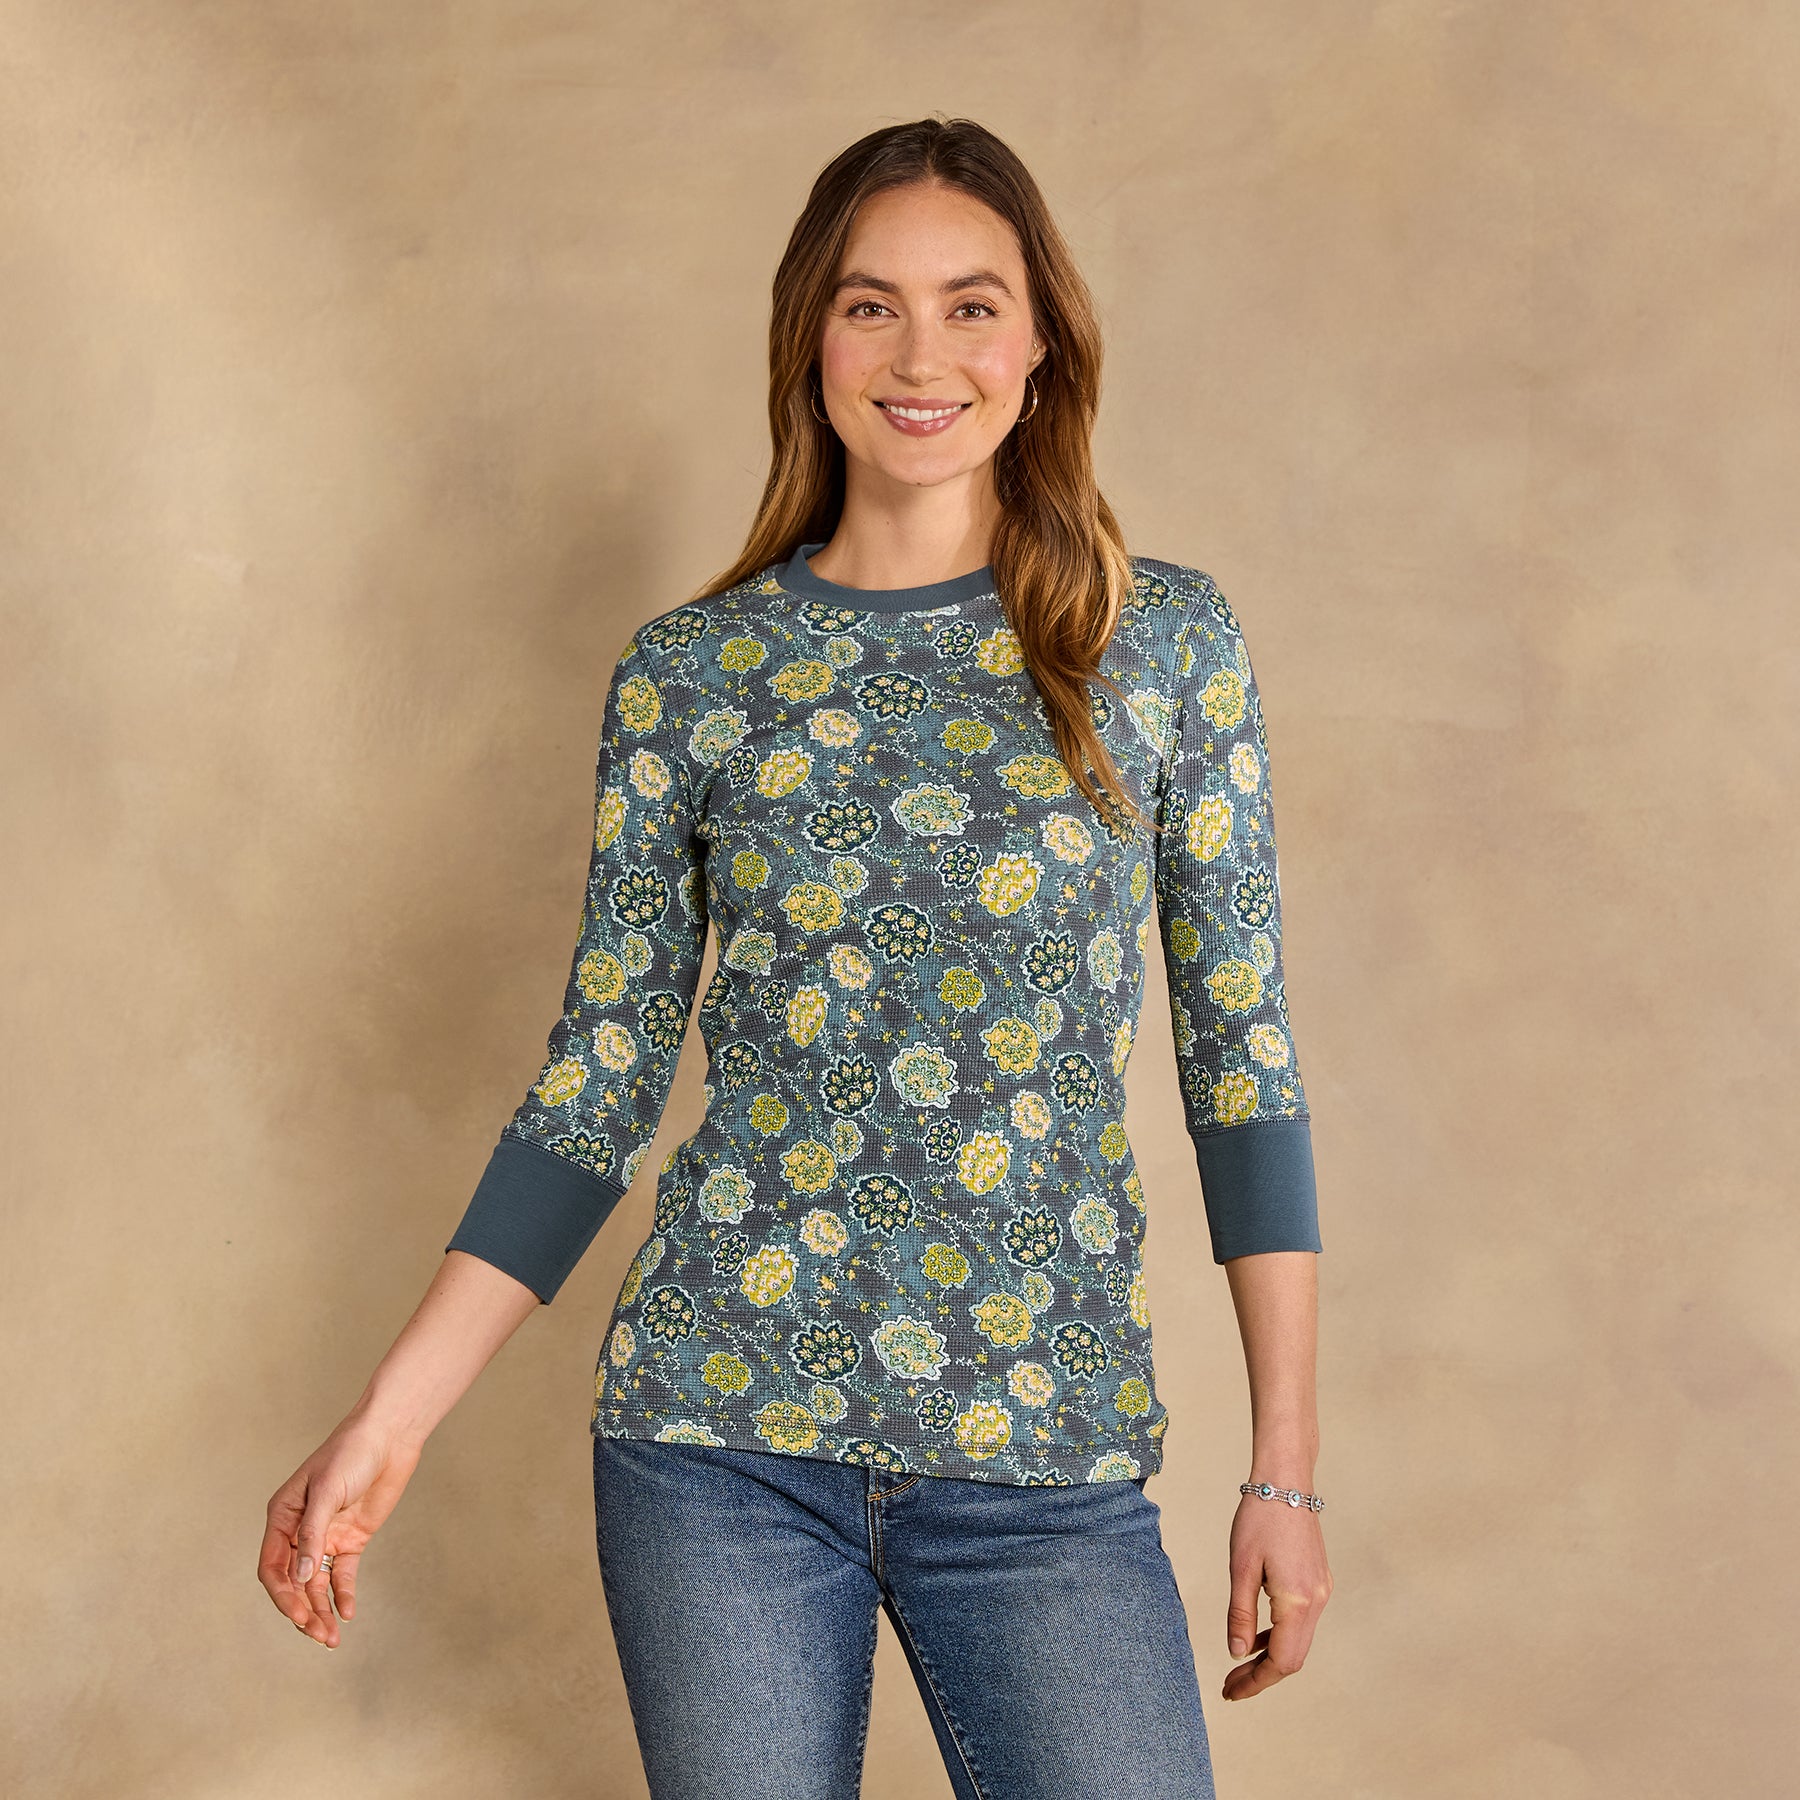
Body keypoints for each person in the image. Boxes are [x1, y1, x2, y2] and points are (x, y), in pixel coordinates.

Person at [259, 115, 1332, 1800]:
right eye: (869, 305)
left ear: (1041, 346)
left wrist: (1285, 1469)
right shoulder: (692, 674)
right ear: (809, 341)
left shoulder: (1162, 644)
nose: (921, 357)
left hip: (1043, 1453)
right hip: (716, 1444)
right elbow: (598, 1081)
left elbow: (1242, 1058)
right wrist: (385, 1423)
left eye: (972, 306)